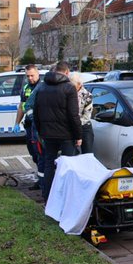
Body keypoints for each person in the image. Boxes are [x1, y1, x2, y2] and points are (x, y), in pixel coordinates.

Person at [32, 61, 82, 201]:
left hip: (48, 133)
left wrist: (41, 131)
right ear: (67, 72)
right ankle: (66, 197)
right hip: (66, 134)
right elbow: (73, 114)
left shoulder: (42, 87)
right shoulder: (69, 88)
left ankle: (48, 196)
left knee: (49, 164)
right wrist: (78, 135)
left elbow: (36, 112)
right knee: (67, 166)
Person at [14, 64, 43, 170]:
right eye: (27, 76)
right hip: (29, 124)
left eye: (32, 75)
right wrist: (17, 122)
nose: (30, 78)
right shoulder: (26, 87)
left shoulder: (43, 86)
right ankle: (39, 174)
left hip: (40, 125)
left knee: (40, 151)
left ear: (37, 73)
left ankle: (42, 179)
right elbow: (22, 106)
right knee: (33, 152)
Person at [71, 73, 94, 154]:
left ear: (79, 84)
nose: (71, 87)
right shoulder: (67, 93)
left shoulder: (87, 96)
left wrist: (75, 124)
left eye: (73, 85)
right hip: (71, 128)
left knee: (87, 154)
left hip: (84, 127)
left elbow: (87, 116)